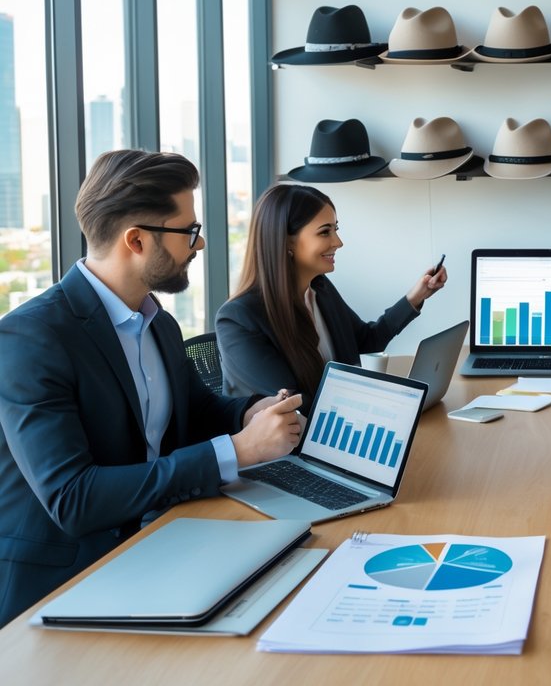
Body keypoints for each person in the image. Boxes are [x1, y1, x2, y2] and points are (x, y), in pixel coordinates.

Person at [0, 150, 304, 626]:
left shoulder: (157, 323)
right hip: (59, 589)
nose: (198, 246)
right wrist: (239, 450)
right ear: (136, 240)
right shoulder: (31, 338)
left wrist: (250, 413)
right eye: (189, 232)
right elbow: (72, 499)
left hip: (156, 546)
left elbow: (197, 409)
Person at [216, 184, 447, 410]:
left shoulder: (319, 289)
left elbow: (367, 342)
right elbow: (294, 403)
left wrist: (417, 296)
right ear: (287, 241)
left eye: (336, 229)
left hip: (341, 422)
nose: (338, 242)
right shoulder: (238, 319)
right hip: (292, 444)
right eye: (325, 232)